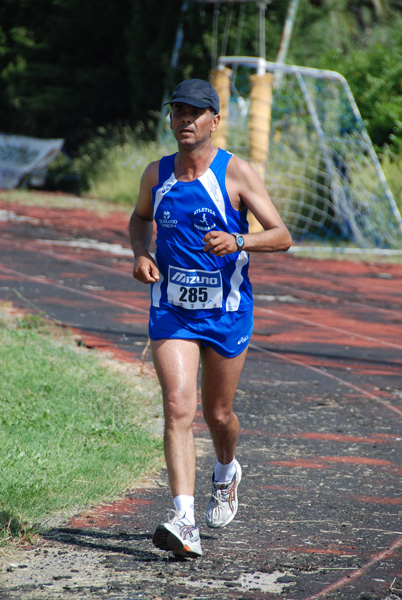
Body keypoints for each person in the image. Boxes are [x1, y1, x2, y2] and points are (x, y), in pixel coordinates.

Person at [129, 78, 291, 559]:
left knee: (218, 414)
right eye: (177, 111)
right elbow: (139, 219)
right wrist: (140, 254)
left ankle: (226, 471)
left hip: (226, 311)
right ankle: (184, 519)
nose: (184, 120)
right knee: (179, 407)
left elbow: (281, 235)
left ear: (215, 121)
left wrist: (239, 240)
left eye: (195, 112)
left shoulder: (236, 173)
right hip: (172, 308)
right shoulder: (156, 174)